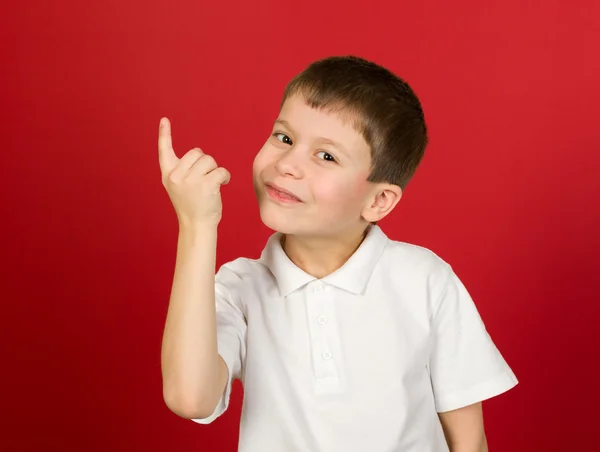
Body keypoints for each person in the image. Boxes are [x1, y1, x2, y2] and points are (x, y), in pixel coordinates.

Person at [158, 55, 518, 452]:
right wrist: (197, 226)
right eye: (284, 137)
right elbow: (189, 397)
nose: (288, 164)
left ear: (379, 200)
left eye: (326, 156)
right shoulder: (240, 289)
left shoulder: (425, 279)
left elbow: (469, 440)